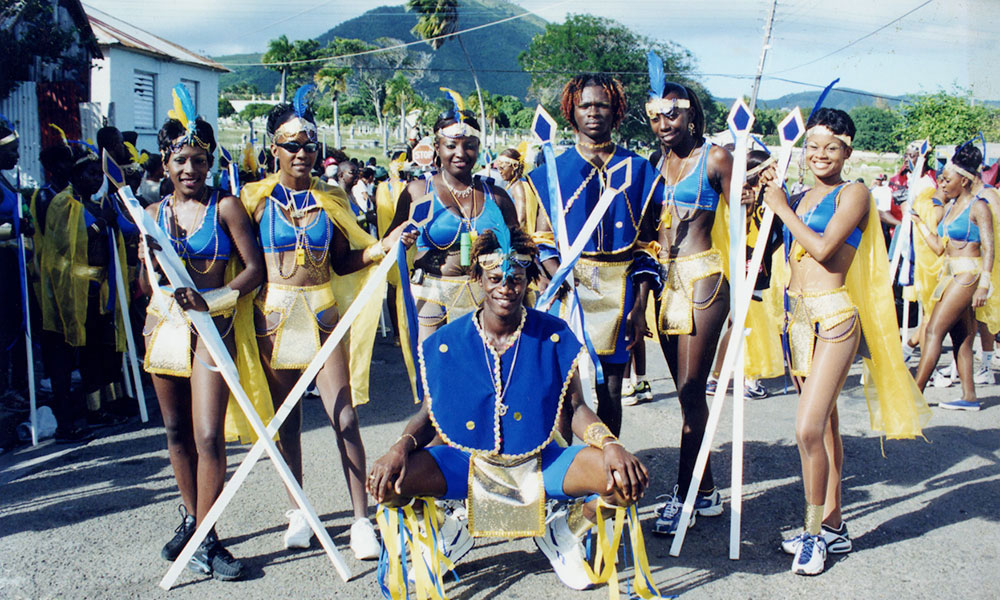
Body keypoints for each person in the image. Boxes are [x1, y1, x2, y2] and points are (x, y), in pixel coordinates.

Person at [367, 227, 661, 597]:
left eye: (515, 279)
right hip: (469, 464)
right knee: (387, 483)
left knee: (622, 481)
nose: (505, 288)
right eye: (495, 279)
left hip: (538, 464)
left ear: (527, 281)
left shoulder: (553, 334)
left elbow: (576, 408)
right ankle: (447, 533)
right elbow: (429, 415)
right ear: (478, 279)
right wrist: (399, 448)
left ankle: (565, 531)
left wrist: (611, 445)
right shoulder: (448, 341)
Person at [242, 89, 415, 560]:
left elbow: (342, 261)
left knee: (344, 416)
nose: (301, 154)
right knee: (287, 421)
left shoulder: (332, 198)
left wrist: (381, 247)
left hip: (323, 318)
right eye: (291, 145)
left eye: (309, 146)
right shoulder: (254, 199)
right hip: (272, 321)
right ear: (274, 148)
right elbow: (241, 261)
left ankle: (361, 520)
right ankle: (298, 510)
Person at [761, 108, 929, 575]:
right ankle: (832, 526)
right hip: (795, 318)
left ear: (847, 151)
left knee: (807, 429)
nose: (820, 154)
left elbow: (822, 249)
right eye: (813, 146)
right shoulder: (798, 194)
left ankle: (813, 534)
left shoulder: (853, 193)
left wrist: (781, 207)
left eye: (831, 147)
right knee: (826, 427)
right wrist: (764, 198)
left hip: (834, 318)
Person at [139, 97, 264, 580]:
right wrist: (147, 256)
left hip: (213, 328)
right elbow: (146, 286)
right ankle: (195, 523)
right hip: (165, 328)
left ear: (210, 162)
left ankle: (206, 535)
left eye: (198, 160)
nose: (189, 169)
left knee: (208, 435)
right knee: (175, 432)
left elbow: (254, 270)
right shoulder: (152, 213)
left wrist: (212, 300)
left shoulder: (225, 207)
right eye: (180, 160)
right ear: (165, 163)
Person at [526, 74, 657, 439]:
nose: (594, 112)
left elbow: (647, 248)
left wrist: (640, 307)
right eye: (585, 105)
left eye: (602, 105)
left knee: (611, 390)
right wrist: (560, 279)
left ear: (616, 111)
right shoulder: (553, 171)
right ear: (572, 111)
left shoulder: (639, 169)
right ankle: (567, 464)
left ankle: (605, 465)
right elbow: (542, 239)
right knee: (564, 389)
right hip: (567, 288)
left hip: (620, 290)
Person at [635, 69, 732, 536]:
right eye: (656, 116)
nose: (664, 123)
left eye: (672, 114)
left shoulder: (715, 157)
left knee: (693, 389)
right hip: (664, 283)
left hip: (702, 279)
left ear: (691, 116)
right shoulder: (654, 163)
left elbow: (751, 215)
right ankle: (706, 491)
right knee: (685, 396)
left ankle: (685, 496)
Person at [386, 94, 518, 343]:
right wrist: (400, 241)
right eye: (451, 145)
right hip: (432, 296)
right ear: (437, 148)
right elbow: (388, 243)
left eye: (469, 145)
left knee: (484, 365)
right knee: (432, 363)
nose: (461, 153)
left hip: (485, 299)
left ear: (478, 147)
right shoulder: (418, 191)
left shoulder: (497, 196)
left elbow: (519, 250)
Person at [911, 143, 999, 411]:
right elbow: (940, 248)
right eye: (941, 179)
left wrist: (984, 285)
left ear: (964, 180)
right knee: (962, 338)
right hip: (950, 274)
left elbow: (989, 248)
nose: (942, 184)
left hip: (968, 275)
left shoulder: (979, 206)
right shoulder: (950, 208)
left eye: (947, 180)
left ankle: (914, 394)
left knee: (933, 330)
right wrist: (920, 224)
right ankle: (969, 397)